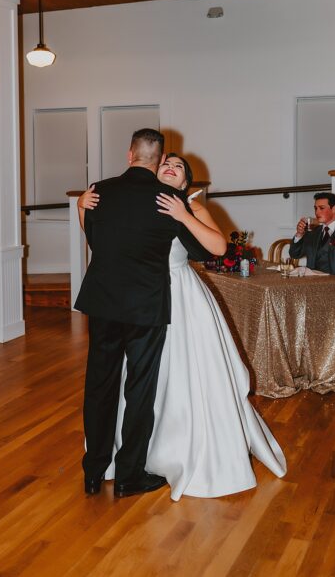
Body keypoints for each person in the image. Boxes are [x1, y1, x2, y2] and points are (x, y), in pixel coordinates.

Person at [80, 153, 286, 499]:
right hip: (137, 304)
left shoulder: (190, 207)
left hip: (180, 298)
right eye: (165, 164)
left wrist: (183, 214)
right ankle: (127, 459)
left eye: (178, 167)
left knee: (181, 378)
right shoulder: (135, 203)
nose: (170, 168)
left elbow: (218, 247)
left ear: (185, 183)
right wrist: (81, 210)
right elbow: (104, 243)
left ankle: (178, 450)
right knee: (139, 383)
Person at [74, 129, 218, 499]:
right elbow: (203, 253)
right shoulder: (170, 199)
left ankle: (93, 473)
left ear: (129, 154)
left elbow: (95, 239)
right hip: (145, 306)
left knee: (100, 387)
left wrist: (80, 208)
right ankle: (128, 476)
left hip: (103, 303)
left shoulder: (97, 191)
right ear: (158, 161)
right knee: (139, 391)